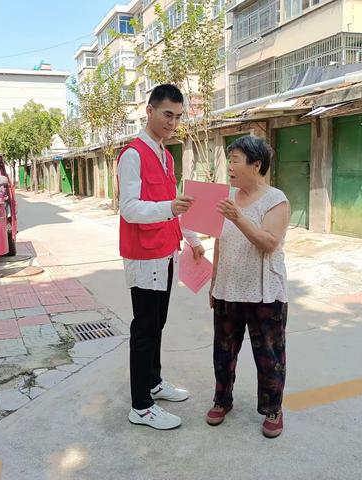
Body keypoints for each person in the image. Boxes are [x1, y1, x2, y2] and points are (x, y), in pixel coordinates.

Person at [117, 84, 205, 430]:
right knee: (144, 328)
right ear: (149, 111)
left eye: (178, 116)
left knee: (158, 324)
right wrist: (170, 208)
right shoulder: (133, 154)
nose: (173, 122)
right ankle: (140, 406)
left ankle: (153, 382)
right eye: (167, 114)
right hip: (144, 257)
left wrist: (192, 238)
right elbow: (130, 209)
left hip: (167, 253)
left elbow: (175, 205)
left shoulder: (165, 156)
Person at [206, 135, 290, 438]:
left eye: (236, 160)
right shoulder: (227, 196)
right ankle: (221, 400)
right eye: (230, 160)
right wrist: (214, 283)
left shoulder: (275, 199)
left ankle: (273, 409)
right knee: (223, 352)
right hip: (228, 289)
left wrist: (238, 217)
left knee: (269, 355)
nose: (230, 166)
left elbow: (269, 242)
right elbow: (219, 240)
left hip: (263, 293)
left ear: (256, 165)